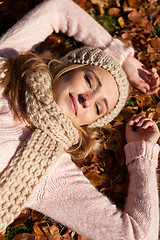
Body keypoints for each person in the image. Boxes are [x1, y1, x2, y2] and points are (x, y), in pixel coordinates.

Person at [0, 0, 159, 239]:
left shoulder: (50, 169)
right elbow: (57, 8)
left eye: (98, 107)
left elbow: (138, 236)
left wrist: (142, 155)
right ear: (66, 69)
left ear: (88, 124)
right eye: (88, 80)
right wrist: (123, 58)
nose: (88, 98)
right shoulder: (10, 62)